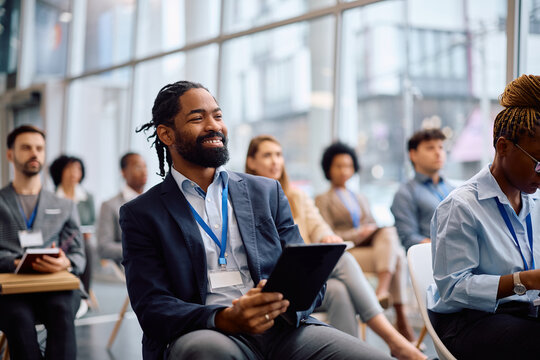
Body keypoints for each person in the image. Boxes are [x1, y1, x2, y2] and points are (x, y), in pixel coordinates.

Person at [121, 80, 393, 360]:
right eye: (197, 118)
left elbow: (312, 282)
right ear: (166, 134)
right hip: (207, 332)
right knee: (204, 352)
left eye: (218, 115)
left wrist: (278, 302)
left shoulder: (265, 192)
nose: (214, 125)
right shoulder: (142, 214)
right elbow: (152, 306)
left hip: (282, 327)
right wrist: (224, 317)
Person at [246, 134, 426, 360]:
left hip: (301, 278)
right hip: (270, 280)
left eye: (279, 155)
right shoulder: (245, 198)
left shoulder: (297, 196)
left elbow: (319, 226)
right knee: (344, 260)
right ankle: (395, 341)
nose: (275, 161)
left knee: (340, 289)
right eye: (267, 155)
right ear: (251, 161)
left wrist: (327, 236)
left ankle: (353, 353)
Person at [427, 74, 540, 359]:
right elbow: (452, 289)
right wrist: (526, 280)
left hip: (523, 311)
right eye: (539, 162)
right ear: (503, 147)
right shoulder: (461, 207)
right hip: (468, 321)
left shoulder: (534, 201)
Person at [0, 125, 85, 360]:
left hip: (55, 285)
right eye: (26, 148)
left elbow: (79, 254)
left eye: (39, 148)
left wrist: (65, 261)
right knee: (18, 317)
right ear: (10, 154)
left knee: (61, 310)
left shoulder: (66, 205)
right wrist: (13, 261)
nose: (34, 153)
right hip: (9, 288)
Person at [315, 142, 414, 341]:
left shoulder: (360, 197)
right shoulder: (322, 199)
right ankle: (400, 317)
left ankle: (383, 292)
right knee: (396, 257)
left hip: (369, 250)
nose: (345, 171)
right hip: (346, 254)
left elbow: (373, 224)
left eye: (348, 166)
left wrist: (369, 230)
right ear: (329, 168)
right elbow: (327, 232)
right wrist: (357, 233)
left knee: (389, 236)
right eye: (339, 166)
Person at [390, 128, 454, 251]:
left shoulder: (453, 189)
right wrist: (446, 250)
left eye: (440, 147)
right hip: (432, 260)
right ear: (413, 154)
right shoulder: (405, 193)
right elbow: (409, 238)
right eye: (430, 148)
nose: (438, 152)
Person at [50, 155, 95, 302]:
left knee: (87, 246)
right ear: (60, 171)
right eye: (69, 168)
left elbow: (92, 222)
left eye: (78, 169)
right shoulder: (50, 197)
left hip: (80, 240)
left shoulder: (88, 197)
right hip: (56, 241)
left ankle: (83, 294)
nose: (74, 173)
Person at [97, 152, 147, 264]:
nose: (144, 171)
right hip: (127, 269)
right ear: (123, 172)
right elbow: (103, 247)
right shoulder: (109, 205)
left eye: (145, 166)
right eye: (138, 166)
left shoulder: (154, 202)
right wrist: (141, 248)